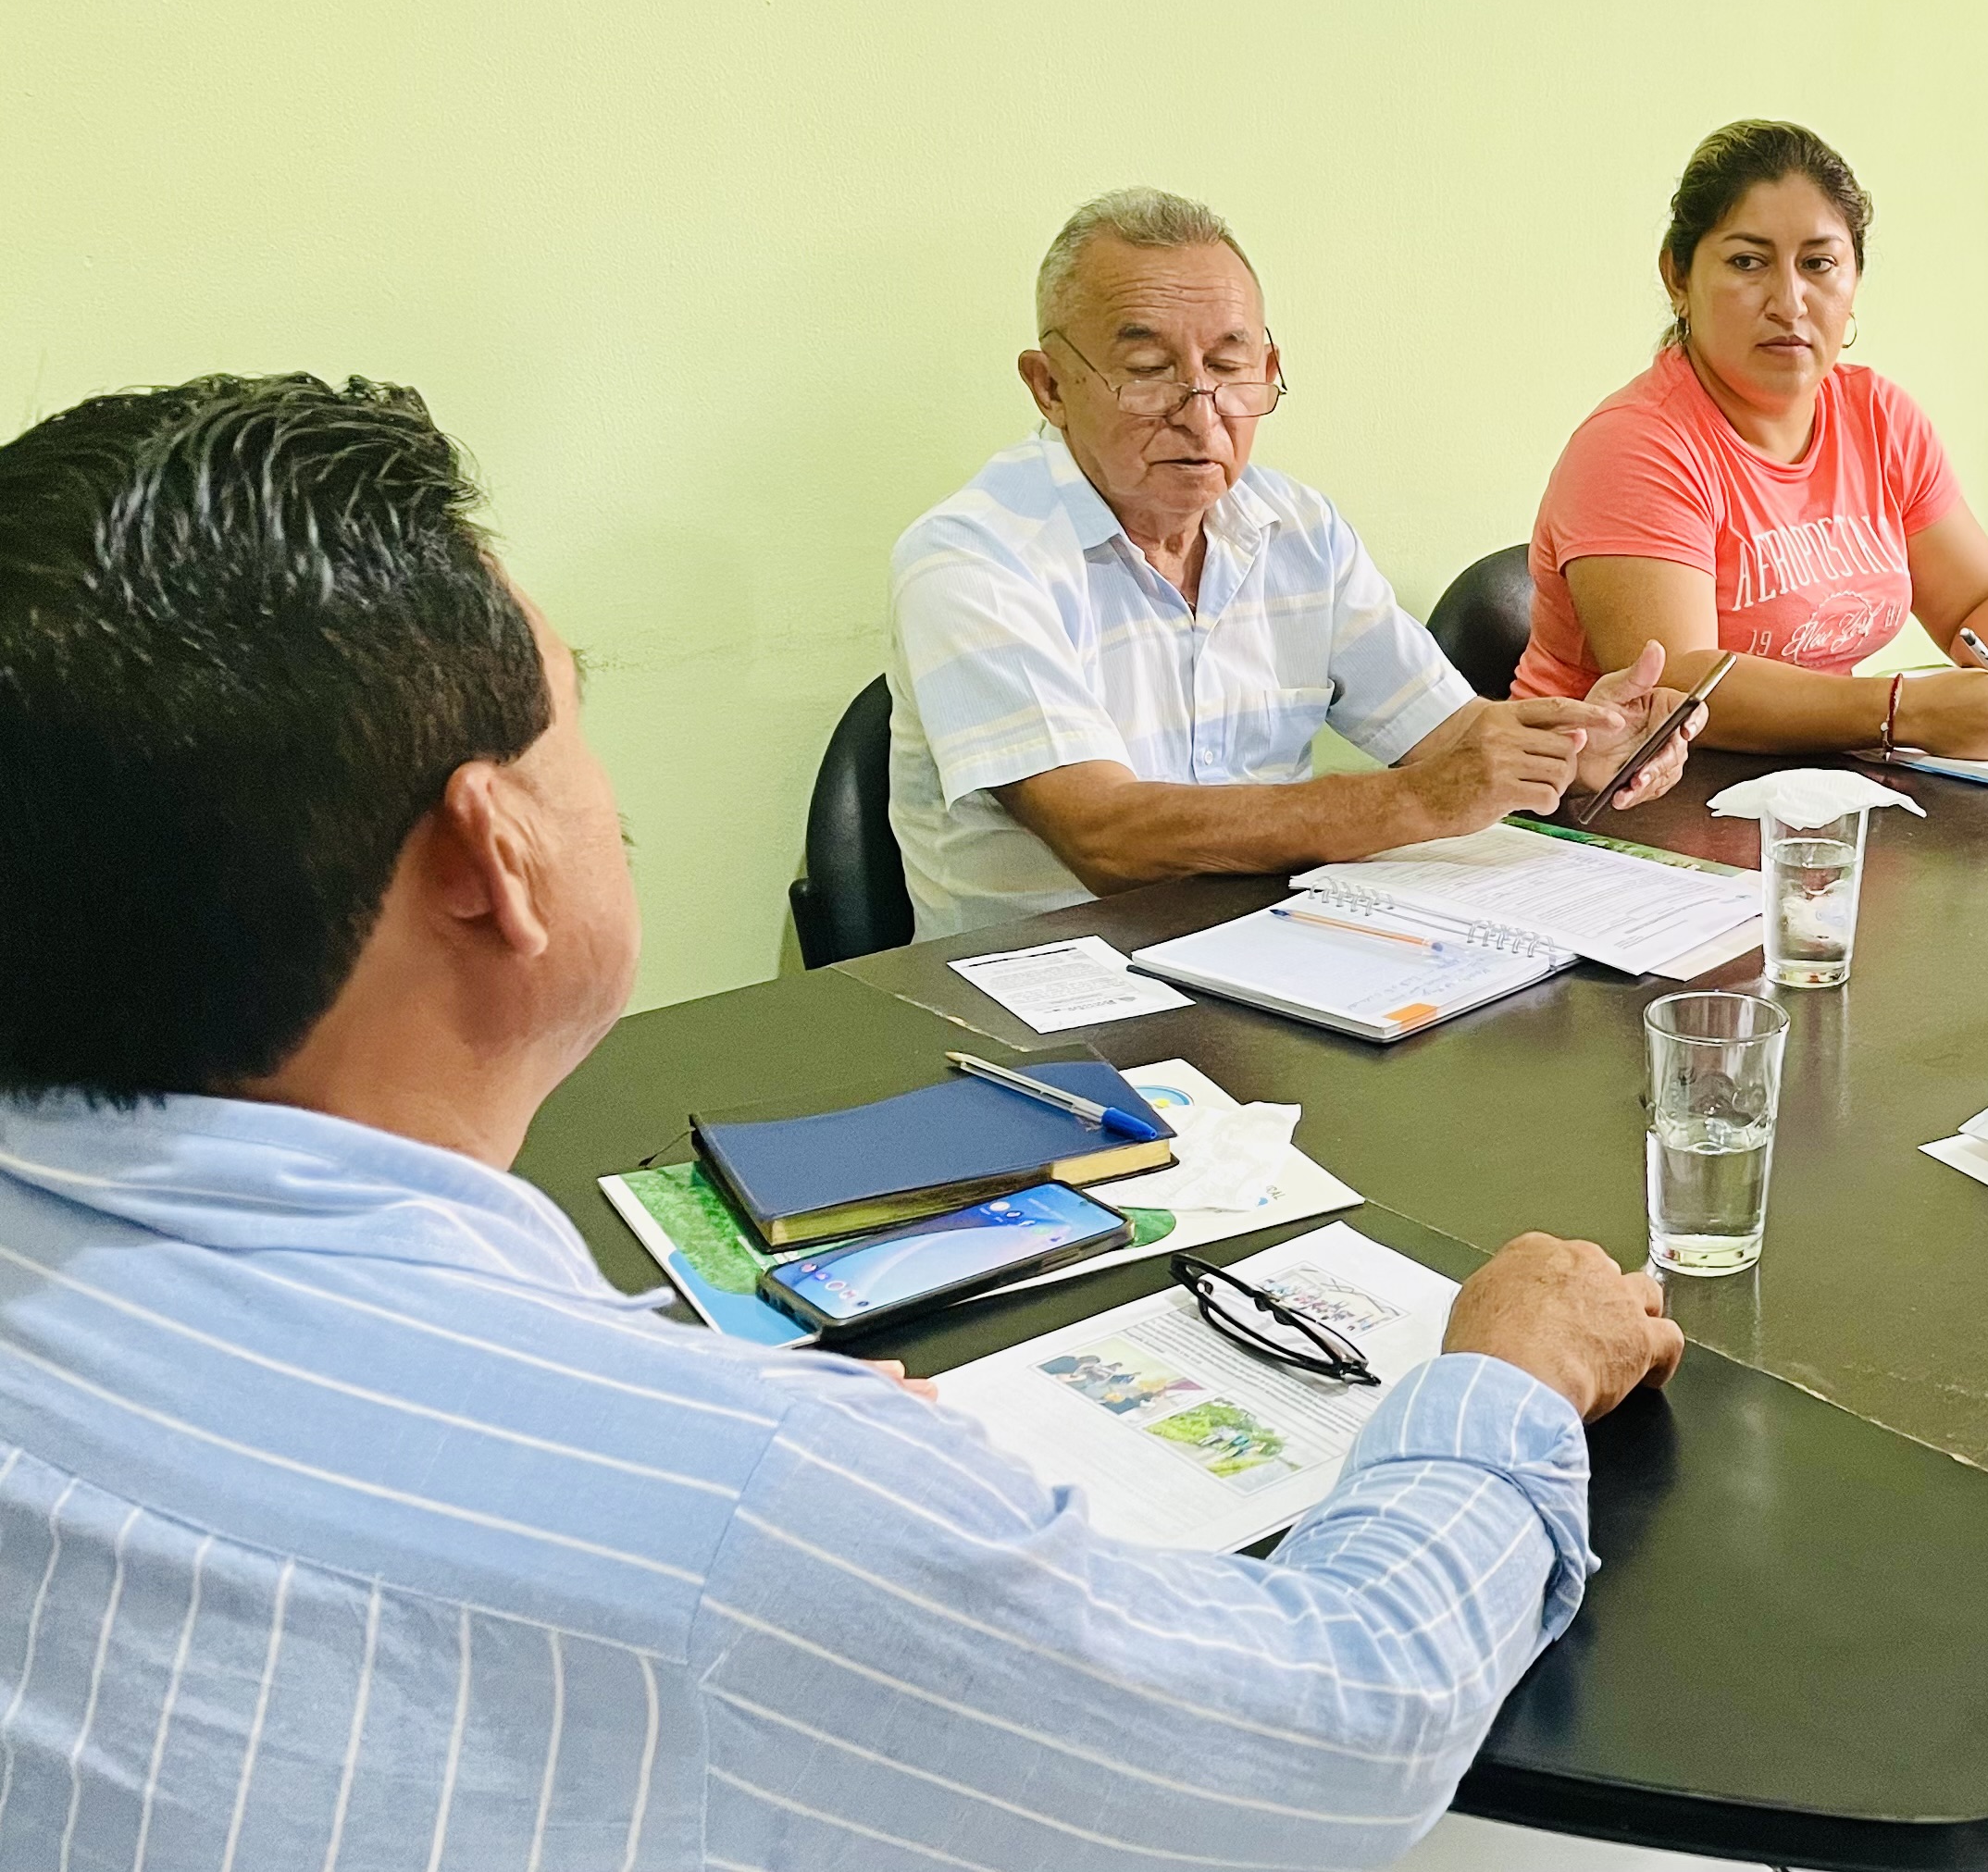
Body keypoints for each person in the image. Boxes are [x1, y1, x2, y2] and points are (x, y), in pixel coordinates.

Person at [0, 374, 1685, 1866]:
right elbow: (1331, 1733)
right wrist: (1505, 1382)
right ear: (490, 859)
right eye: (580, 713)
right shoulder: (740, 1503)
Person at [890, 186, 1693, 939]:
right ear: (1049, 387)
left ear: (1268, 370)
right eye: (1147, 372)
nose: (1201, 413)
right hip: (1040, 989)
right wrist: (1416, 801)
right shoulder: (972, 557)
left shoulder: (1296, 529)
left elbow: (1448, 736)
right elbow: (1105, 836)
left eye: (1229, 367)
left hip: (1262, 955)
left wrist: (1576, 747)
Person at [1517, 120, 1988, 759]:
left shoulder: (1879, 417)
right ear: (1678, 277)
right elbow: (1675, 690)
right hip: (1606, 797)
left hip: (1813, 787)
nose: (1789, 302)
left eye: (1818, 264)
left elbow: (1977, 600)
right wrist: (1906, 711)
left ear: (1855, 279)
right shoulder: (1635, 446)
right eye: (1747, 262)